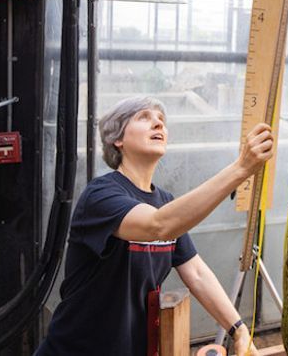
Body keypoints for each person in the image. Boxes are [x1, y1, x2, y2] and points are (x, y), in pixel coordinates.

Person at [37, 96, 273, 355]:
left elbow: (195, 272)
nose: (158, 124)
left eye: (161, 120)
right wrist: (241, 168)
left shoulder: (164, 202)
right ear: (118, 139)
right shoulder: (100, 195)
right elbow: (157, 225)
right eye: (144, 117)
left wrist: (238, 329)